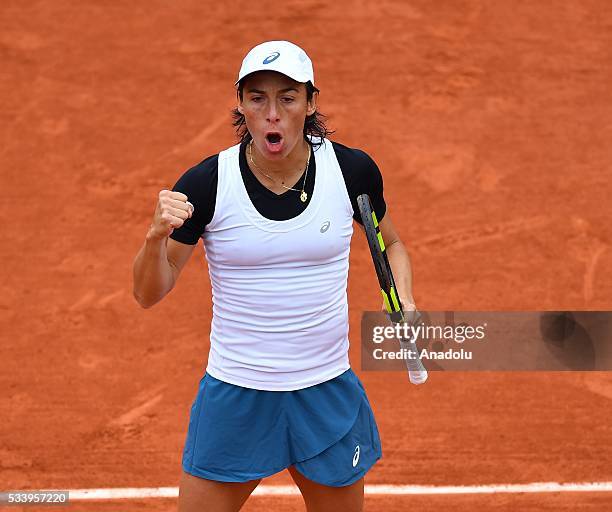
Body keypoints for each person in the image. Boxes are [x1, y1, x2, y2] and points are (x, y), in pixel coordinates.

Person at [132, 40, 416, 512]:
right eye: (257, 97)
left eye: (287, 97)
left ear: (309, 103)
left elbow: (392, 244)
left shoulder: (351, 172)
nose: (272, 113)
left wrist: (403, 298)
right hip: (237, 391)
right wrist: (153, 238)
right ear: (241, 105)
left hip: (324, 388)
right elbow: (148, 293)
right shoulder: (206, 184)